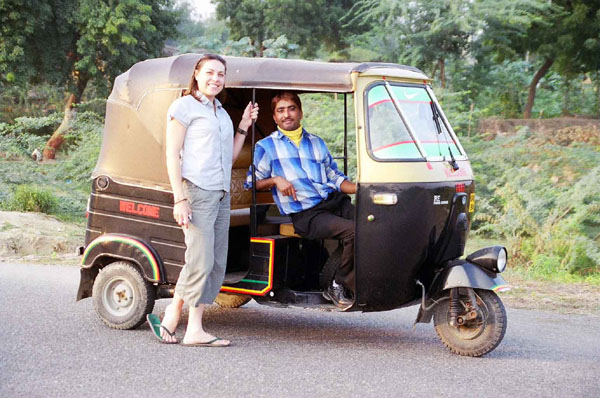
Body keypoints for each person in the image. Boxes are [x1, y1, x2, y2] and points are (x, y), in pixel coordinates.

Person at [147, 54, 258, 346]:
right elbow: (172, 155)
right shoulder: (183, 107)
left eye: (221, 74)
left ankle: (173, 314)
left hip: (220, 194)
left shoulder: (220, 112)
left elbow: (230, 157)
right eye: (210, 72)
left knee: (214, 261)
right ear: (196, 74)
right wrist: (179, 198)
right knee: (201, 259)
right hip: (196, 192)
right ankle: (193, 329)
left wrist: (244, 125)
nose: (216, 79)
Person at [245, 91, 356, 309]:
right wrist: (276, 180)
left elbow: (334, 177)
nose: (287, 114)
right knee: (354, 231)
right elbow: (251, 183)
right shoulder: (266, 147)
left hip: (334, 202)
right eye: (281, 110)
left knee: (375, 223)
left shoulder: (316, 142)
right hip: (307, 214)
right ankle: (336, 283)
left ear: (300, 112)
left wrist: (363, 188)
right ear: (275, 117)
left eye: (291, 108)